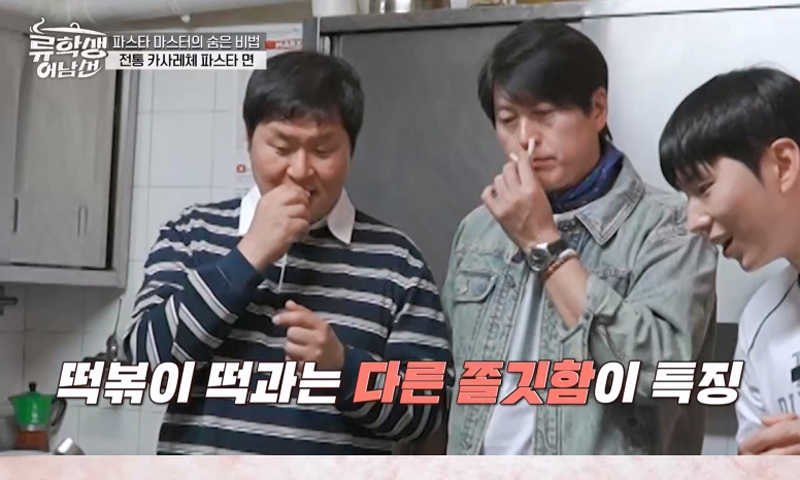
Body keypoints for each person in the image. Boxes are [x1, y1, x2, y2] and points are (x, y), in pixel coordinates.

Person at [121, 50, 453, 455]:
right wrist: (248, 255)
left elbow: (426, 413)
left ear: (351, 149)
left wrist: (342, 368)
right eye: (281, 147)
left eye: (323, 151)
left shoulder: (398, 262)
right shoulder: (191, 234)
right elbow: (142, 369)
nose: (299, 170)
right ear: (249, 140)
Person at [442, 20, 719, 455]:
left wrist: (544, 244)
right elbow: (451, 381)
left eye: (545, 115)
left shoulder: (670, 226)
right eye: (508, 120)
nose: (525, 139)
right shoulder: (479, 229)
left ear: (598, 109)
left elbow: (657, 375)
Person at [659, 66, 800, 455]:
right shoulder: (760, 323)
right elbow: (753, 457)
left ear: (783, 164)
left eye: (704, 188)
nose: (694, 221)